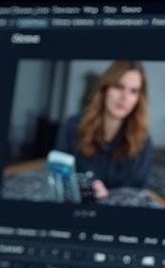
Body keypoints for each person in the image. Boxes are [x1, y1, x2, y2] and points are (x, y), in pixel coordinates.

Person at [55, 60, 152, 200]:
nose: (124, 97)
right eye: (119, 86)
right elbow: (58, 178)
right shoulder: (72, 125)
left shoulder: (143, 141)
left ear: (139, 98)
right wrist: (85, 189)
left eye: (133, 91)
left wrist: (108, 196)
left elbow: (137, 194)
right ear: (105, 89)